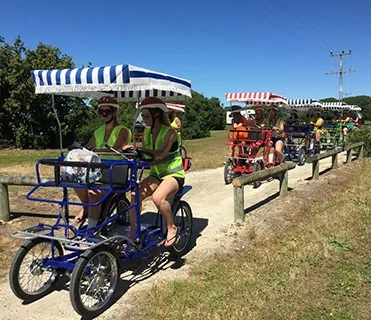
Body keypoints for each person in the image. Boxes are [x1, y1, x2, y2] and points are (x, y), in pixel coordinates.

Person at [127, 97, 185, 247]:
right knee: (134, 195)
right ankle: (134, 232)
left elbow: (159, 153)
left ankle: (172, 228)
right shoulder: (147, 133)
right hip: (157, 175)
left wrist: (141, 149)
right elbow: (145, 154)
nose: (143, 119)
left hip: (174, 175)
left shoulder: (171, 133)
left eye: (146, 116)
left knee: (158, 198)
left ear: (157, 115)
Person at [74, 96, 132, 227]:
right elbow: (88, 147)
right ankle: (87, 208)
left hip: (115, 171)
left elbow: (116, 148)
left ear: (115, 112)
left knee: (94, 193)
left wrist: (94, 150)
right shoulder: (98, 131)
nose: (104, 114)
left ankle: (91, 227)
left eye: (108, 111)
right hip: (98, 169)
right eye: (101, 111)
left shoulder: (122, 130)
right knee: (75, 183)